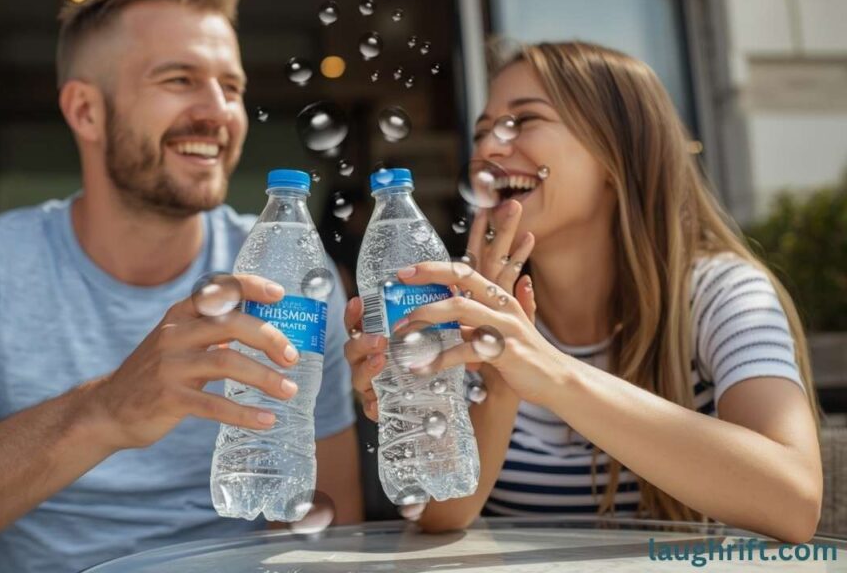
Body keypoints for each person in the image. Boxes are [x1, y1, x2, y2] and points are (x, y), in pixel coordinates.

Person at [0, 0, 362, 573]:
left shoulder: (289, 281)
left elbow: (326, 538)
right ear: (85, 110)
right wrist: (102, 412)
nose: (218, 111)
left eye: (232, 87)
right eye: (179, 80)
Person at [344, 40, 823, 544]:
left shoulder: (721, 293)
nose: (487, 150)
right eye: (483, 132)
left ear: (617, 153)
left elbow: (793, 502)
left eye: (524, 120)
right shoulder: (470, 311)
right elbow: (441, 516)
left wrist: (550, 373)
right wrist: (491, 387)